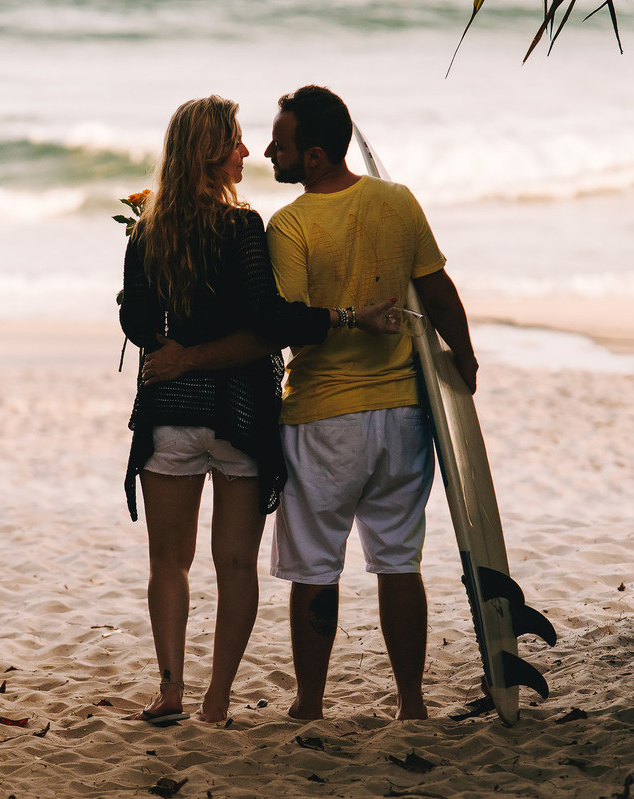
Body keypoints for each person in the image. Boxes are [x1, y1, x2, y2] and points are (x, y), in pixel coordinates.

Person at [147, 85, 479, 721]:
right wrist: (464, 358)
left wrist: (188, 354)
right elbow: (438, 289)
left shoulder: (290, 224)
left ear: (316, 156)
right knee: (399, 562)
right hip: (403, 415)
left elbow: (283, 325)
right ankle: (411, 704)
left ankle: (309, 703)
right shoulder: (399, 201)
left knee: (316, 570)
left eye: (281, 144)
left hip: (323, 418)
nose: (268, 152)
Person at [119, 95, 398, 725]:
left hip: (172, 412)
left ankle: (170, 689)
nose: (247, 152)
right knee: (235, 564)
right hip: (241, 413)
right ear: (212, 153)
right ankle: (217, 699)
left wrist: (173, 353)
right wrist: (349, 317)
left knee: (168, 562)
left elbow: (134, 317)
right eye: (237, 142)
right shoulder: (242, 227)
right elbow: (271, 321)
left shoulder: (148, 230)